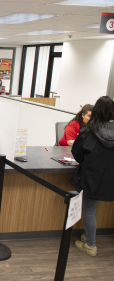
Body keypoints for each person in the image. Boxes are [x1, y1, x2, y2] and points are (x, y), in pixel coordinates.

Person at [71, 96, 114, 257]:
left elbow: (77, 154)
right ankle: (90, 235)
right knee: (92, 209)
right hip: (109, 177)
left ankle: (91, 245)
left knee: (89, 209)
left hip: (91, 176)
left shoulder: (88, 131)